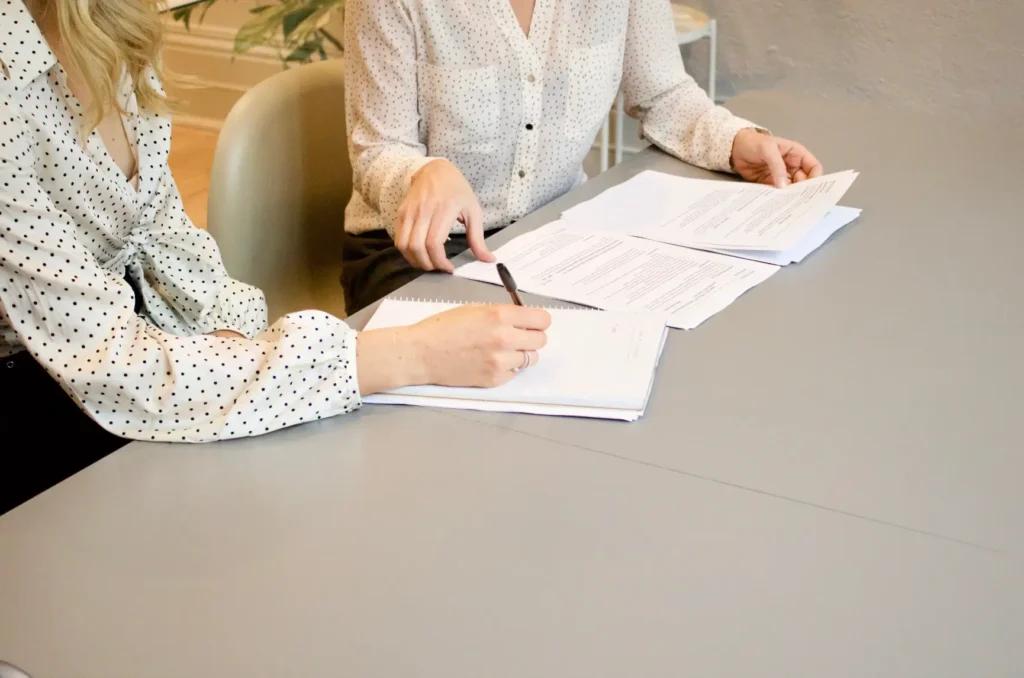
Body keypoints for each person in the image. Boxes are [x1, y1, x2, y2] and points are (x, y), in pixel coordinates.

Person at [0, 0, 550, 515]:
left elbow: (163, 235)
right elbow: (113, 365)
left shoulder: (111, 27)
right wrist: (410, 356)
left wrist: (233, 339)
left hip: (133, 354)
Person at [342, 0, 825, 313]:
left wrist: (737, 141)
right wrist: (422, 173)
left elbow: (662, 92)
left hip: (553, 236)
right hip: (416, 253)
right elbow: (377, 148)